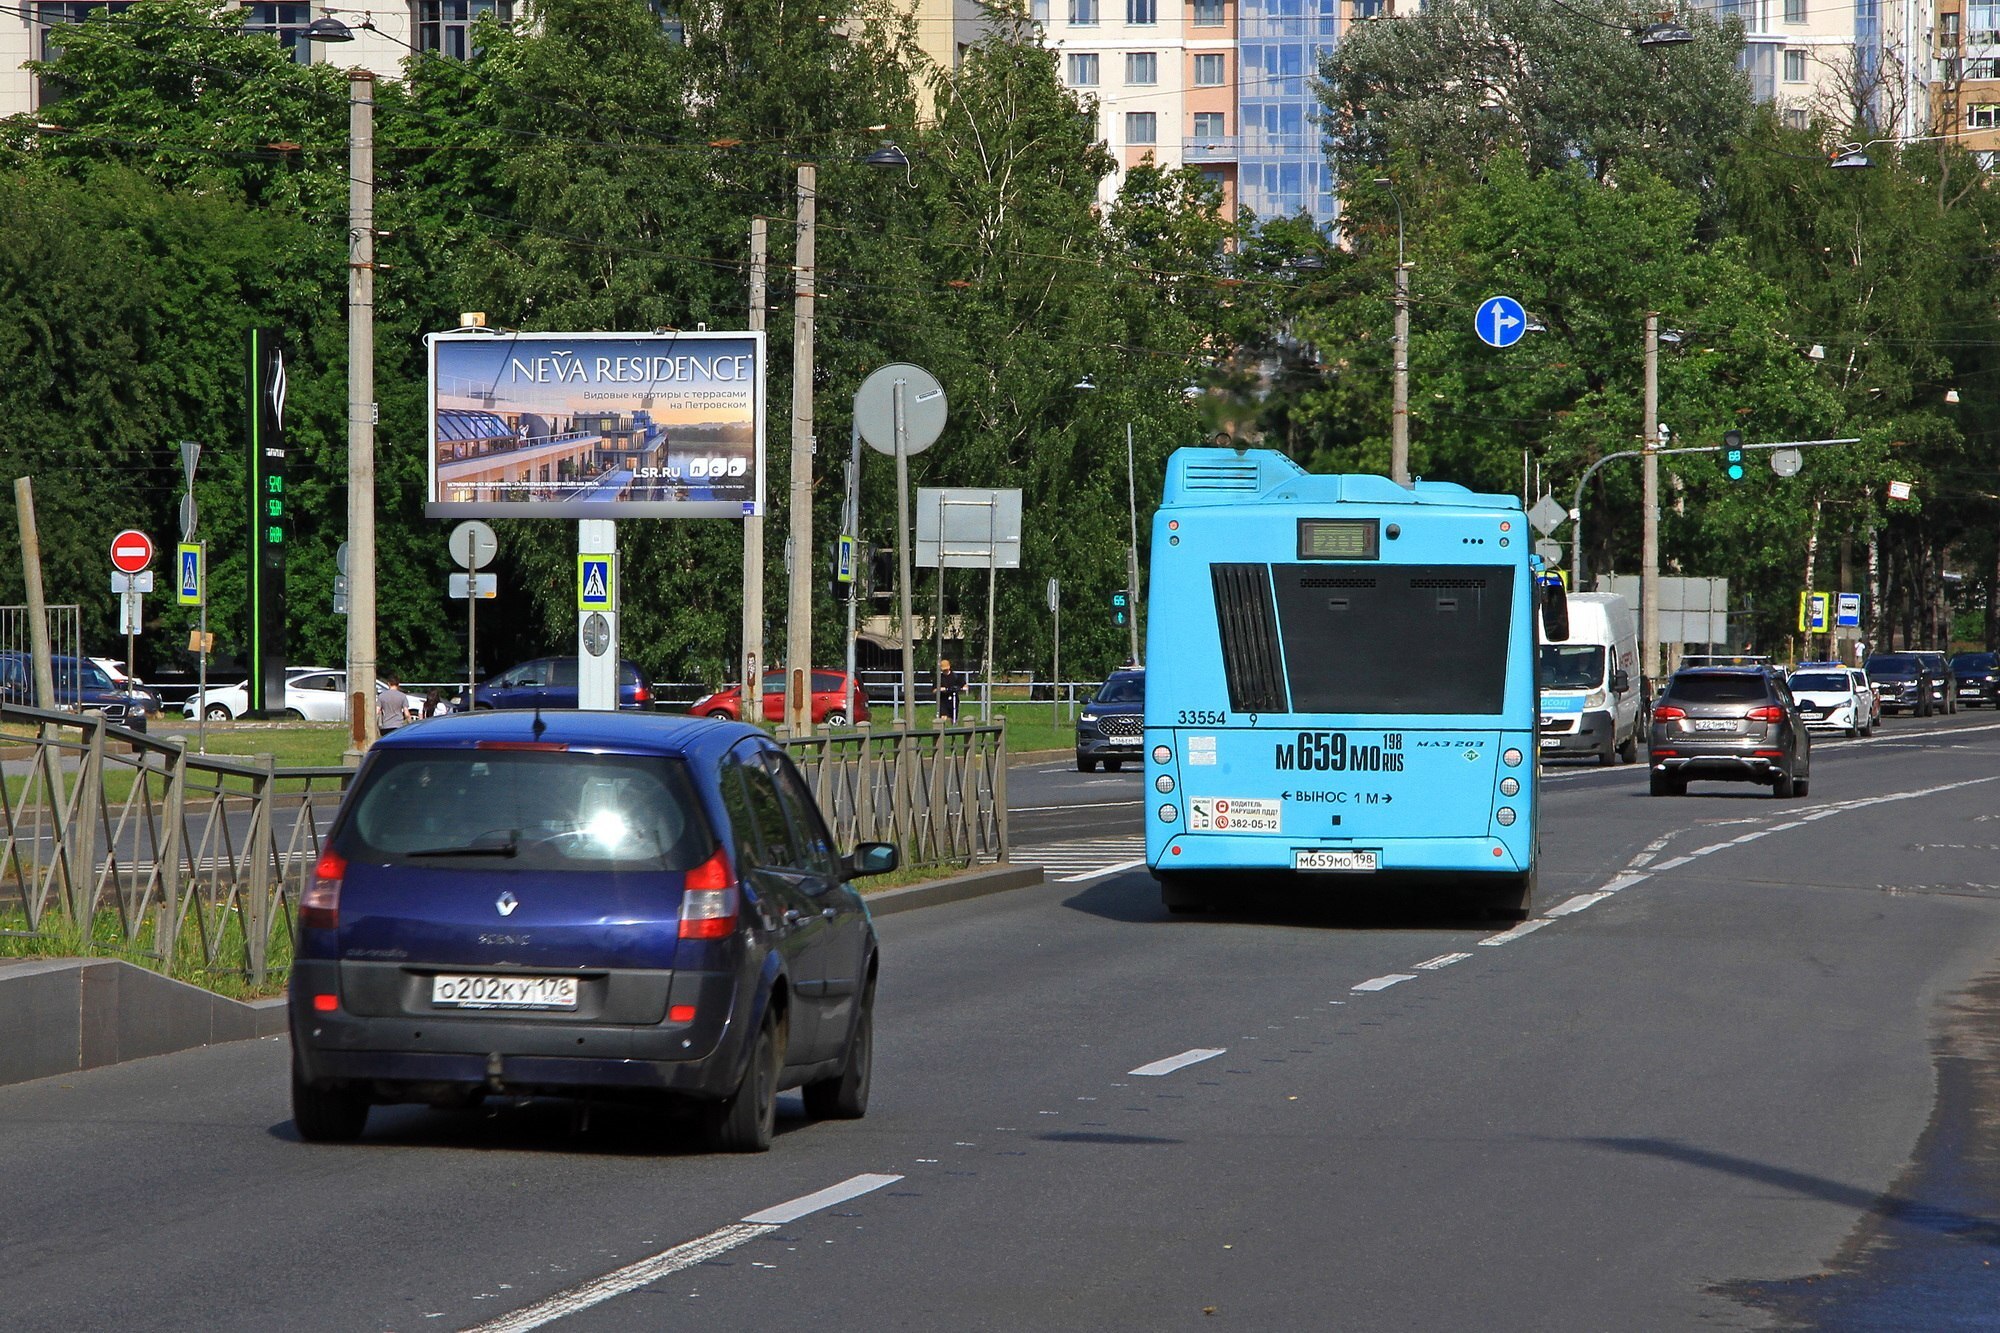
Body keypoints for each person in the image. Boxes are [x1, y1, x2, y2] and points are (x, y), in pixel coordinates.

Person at [936, 658, 961, 723]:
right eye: (943, 670)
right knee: (943, 717)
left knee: (953, 717)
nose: (945, 671)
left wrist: (957, 688)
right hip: (943, 700)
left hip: (953, 699)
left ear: (949, 667)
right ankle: (942, 730)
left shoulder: (955, 676)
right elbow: (934, 690)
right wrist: (940, 689)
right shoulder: (939, 678)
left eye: (946, 669)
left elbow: (965, 686)